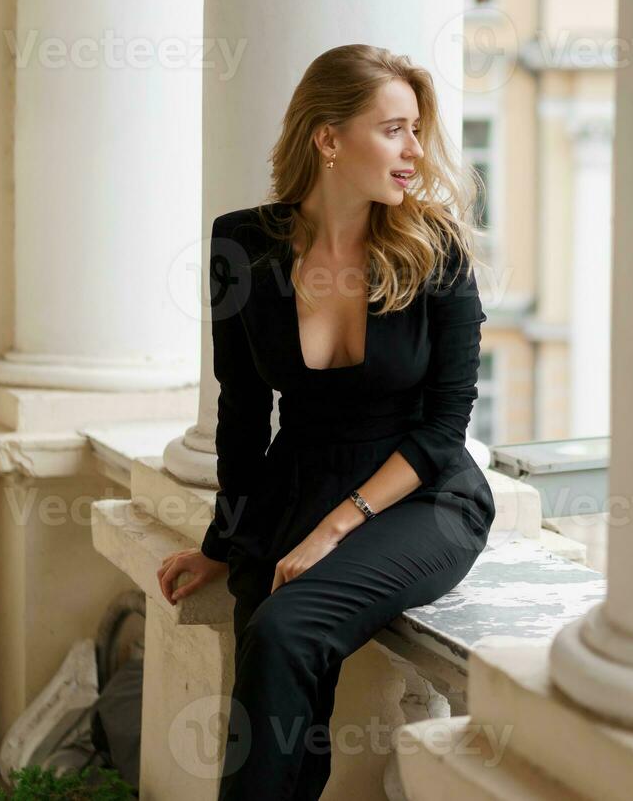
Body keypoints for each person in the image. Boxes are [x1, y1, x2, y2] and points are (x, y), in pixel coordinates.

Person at [154, 43, 496, 800]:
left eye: (417, 130)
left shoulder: (435, 248)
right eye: (394, 129)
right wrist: (228, 538)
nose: (415, 151)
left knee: (287, 627)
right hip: (298, 479)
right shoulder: (242, 243)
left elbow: (445, 428)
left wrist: (337, 526)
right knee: (265, 647)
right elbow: (241, 409)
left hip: (423, 494)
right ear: (329, 138)